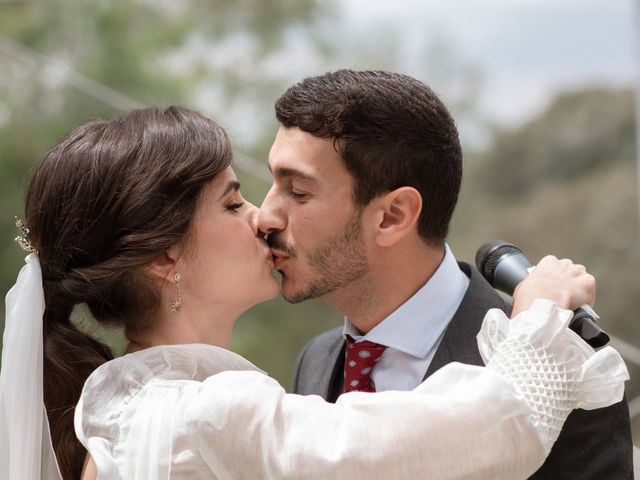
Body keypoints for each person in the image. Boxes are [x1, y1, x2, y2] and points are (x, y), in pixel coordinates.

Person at [0, 106, 628, 480]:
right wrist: (540, 317)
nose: (263, 218)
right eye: (232, 201)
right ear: (166, 256)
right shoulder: (198, 415)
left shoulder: (129, 412)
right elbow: (482, 429)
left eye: (288, 192)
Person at [258, 69, 634, 479]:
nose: (265, 216)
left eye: (297, 191)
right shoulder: (316, 361)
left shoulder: (566, 368)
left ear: (392, 216)